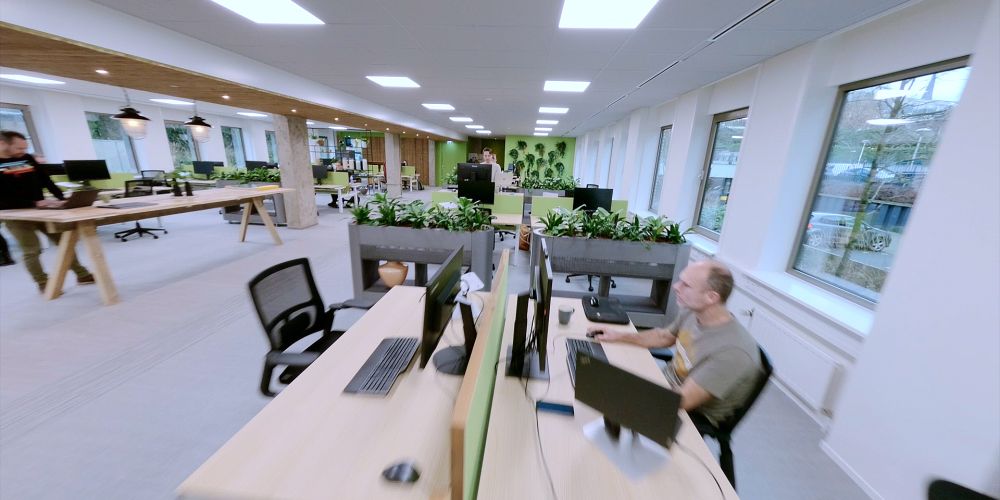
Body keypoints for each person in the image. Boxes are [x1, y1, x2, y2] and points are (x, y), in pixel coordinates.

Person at [589, 260, 761, 427]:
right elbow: (664, 337)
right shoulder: (694, 312)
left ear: (711, 297)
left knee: (594, 408)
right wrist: (618, 336)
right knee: (595, 382)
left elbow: (682, 401)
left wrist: (627, 391)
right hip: (664, 383)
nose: (676, 287)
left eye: (686, 285)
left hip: (689, 415)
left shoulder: (733, 351)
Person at [0, 130, 94, 292]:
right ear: (3, 144)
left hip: (42, 209)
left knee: (64, 242)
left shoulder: (27, 159)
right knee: (32, 250)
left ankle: (82, 274)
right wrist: (34, 202)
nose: (23, 151)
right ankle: (43, 282)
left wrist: (61, 198)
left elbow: (46, 180)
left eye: (25, 148)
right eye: (19, 148)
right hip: (15, 214)